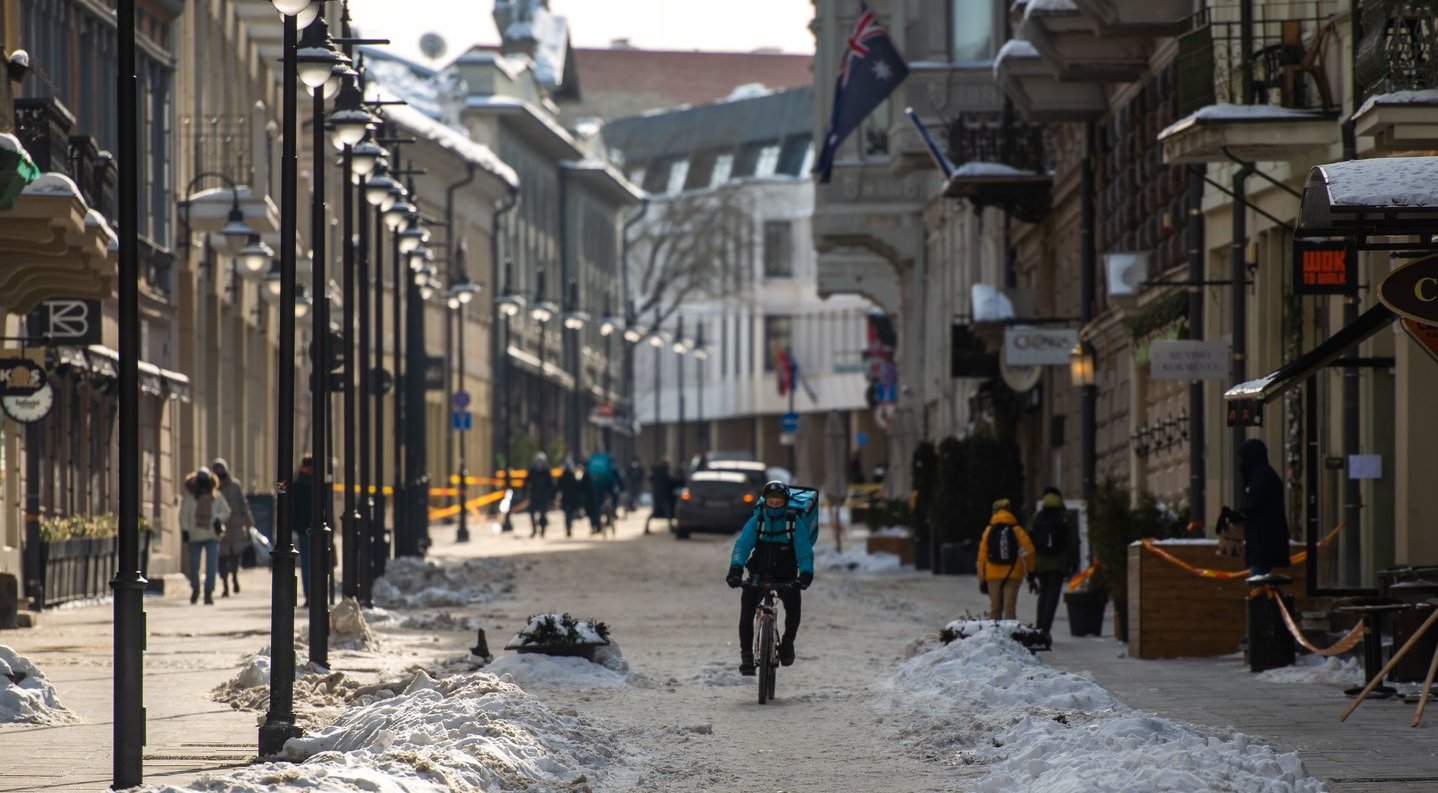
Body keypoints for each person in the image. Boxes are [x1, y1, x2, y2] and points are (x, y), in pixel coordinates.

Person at [726, 481, 814, 675]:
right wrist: (736, 569)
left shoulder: (793, 523)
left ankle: (788, 642)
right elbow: (742, 545)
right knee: (747, 609)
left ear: (786, 502)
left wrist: (806, 573)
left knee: (793, 608)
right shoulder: (757, 521)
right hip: (758, 572)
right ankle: (747, 656)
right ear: (765, 501)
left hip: (786, 574)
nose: (774, 504)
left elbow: (804, 551)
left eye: (779, 501)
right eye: (771, 500)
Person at [1233, 438, 1290, 576]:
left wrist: (1237, 515)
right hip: (1265, 541)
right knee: (1260, 578)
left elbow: (1254, 504)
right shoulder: (1262, 474)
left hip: (1264, 541)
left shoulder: (1261, 475)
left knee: (1258, 580)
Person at [1029, 487, 1080, 633]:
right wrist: (1074, 561)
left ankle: (1039, 627)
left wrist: (1031, 566)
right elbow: (1073, 541)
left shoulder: (1037, 516)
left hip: (1041, 562)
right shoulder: (1065, 517)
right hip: (1058, 562)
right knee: (1053, 595)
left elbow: (1028, 539)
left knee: (1043, 593)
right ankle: (1046, 628)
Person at [977, 498, 1036, 620]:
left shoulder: (988, 531)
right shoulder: (1017, 530)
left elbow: (981, 558)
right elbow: (1029, 552)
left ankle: (993, 635)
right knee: (1010, 608)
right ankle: (1009, 635)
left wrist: (982, 579)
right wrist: (1031, 572)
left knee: (995, 608)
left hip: (992, 575)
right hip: (1013, 574)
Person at [179, 466, 231, 605]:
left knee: (211, 566)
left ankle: (208, 592)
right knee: (194, 566)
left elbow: (226, 511)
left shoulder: (216, 497)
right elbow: (183, 515)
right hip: (194, 536)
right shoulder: (190, 498)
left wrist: (217, 519)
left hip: (212, 536)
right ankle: (195, 588)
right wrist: (185, 531)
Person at [210, 458, 255, 598]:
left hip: (235, 526)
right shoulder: (212, 487)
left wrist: (249, 525)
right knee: (222, 558)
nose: (219, 473)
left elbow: (243, 505)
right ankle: (225, 585)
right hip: (220, 527)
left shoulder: (235, 486)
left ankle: (234, 576)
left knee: (235, 556)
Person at [290, 455, 316, 601]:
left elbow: (281, 491)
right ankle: (310, 595)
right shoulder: (298, 484)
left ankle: (310, 595)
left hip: (306, 528)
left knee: (309, 563)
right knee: (309, 563)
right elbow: (280, 491)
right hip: (307, 528)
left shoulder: (296, 483)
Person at [525, 452, 554, 538]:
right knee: (532, 513)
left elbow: (550, 485)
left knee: (543, 514)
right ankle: (534, 529)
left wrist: (551, 496)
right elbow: (526, 482)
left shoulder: (546, 472)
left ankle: (543, 530)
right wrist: (524, 493)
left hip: (543, 496)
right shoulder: (532, 471)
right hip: (534, 495)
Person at [645, 457, 675, 534]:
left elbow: (650, 478)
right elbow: (670, 482)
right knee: (667, 512)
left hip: (657, 495)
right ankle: (671, 527)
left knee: (654, 513)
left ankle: (646, 528)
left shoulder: (656, 471)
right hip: (664, 495)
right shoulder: (665, 472)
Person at [558, 460, 585, 538]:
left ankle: (568, 528)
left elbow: (558, 487)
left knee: (567, 514)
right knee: (570, 514)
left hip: (566, 499)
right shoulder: (574, 476)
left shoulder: (563, 477)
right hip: (572, 499)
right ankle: (569, 528)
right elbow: (579, 487)